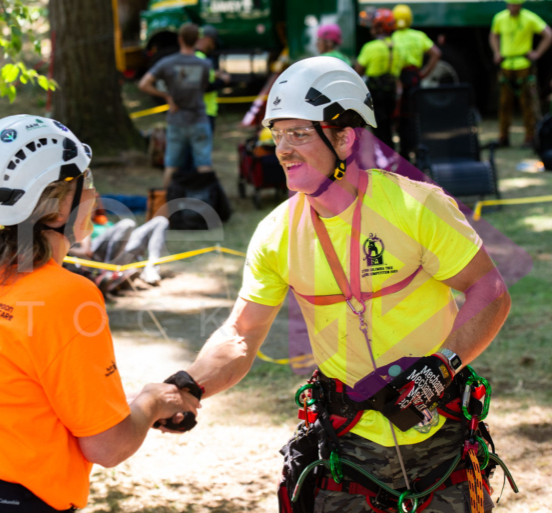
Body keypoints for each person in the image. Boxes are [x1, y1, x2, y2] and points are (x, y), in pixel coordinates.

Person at [161, 57, 512, 512]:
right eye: (277, 134)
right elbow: (241, 334)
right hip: (345, 452)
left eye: (299, 134)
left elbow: (490, 292)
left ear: (344, 138)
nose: (282, 149)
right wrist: (190, 385)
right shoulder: (276, 234)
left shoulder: (416, 206)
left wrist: (441, 366)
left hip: (438, 439)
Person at [0, 115, 200, 512]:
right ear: (58, 206)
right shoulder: (67, 294)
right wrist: (153, 401)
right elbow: (108, 446)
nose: (96, 194)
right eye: (88, 182)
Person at [139, 23, 213, 188]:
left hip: (176, 119)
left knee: (171, 165)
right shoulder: (205, 64)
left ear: (180, 39)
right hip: (198, 119)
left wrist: (166, 96)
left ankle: (165, 203)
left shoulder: (167, 63)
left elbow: (144, 84)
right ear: (196, 40)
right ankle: (207, 203)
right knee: (204, 164)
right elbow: (204, 86)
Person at [69, 195, 170, 287]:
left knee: (161, 221)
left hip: (121, 251)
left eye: (94, 204)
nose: (92, 208)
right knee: (127, 223)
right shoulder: (81, 225)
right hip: (99, 256)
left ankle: (150, 269)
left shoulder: (105, 222)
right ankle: (108, 273)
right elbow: (86, 251)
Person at [490, 0, 552, 148]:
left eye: (515, 5)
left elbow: (548, 34)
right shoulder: (499, 18)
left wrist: (537, 54)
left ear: (520, 5)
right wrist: (496, 52)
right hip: (506, 66)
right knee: (504, 103)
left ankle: (529, 138)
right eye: (510, 4)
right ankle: (503, 137)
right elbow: (493, 35)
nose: (512, 7)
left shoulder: (529, 18)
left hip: (523, 66)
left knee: (527, 104)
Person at [392, 4, 442, 158]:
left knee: (400, 115)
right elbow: (436, 53)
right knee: (415, 114)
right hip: (414, 79)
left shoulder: (392, 38)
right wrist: (424, 73)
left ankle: (404, 151)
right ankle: (416, 148)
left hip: (399, 80)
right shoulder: (418, 36)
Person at [355, 9, 401, 149]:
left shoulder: (370, 47)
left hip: (375, 96)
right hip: (391, 94)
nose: (371, 28)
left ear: (380, 27)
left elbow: (357, 72)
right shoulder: (398, 47)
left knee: (377, 133)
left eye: (373, 25)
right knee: (386, 130)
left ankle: (382, 163)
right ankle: (391, 160)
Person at [195, 25, 231, 133]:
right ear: (208, 39)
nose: (213, 46)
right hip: (205, 111)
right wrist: (222, 81)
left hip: (201, 111)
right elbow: (203, 87)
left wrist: (214, 74)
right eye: (213, 42)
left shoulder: (195, 57)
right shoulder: (201, 59)